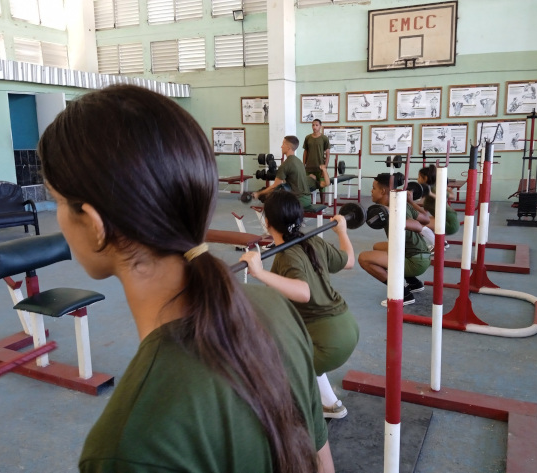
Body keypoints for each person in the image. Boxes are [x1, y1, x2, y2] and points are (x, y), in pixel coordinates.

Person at [38, 85, 334, 473]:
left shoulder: (128, 444)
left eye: (58, 201)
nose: (58, 215)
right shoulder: (274, 309)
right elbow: (321, 462)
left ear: (96, 225)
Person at [240, 191, 359, 420]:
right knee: (297, 345)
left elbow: (303, 293)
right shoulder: (313, 241)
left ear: (267, 222)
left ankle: (291, 423)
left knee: (268, 370)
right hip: (347, 327)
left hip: (329, 341)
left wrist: (259, 273)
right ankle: (330, 404)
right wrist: (342, 233)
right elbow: (349, 261)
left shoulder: (286, 255)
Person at [358, 173, 431, 306]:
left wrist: (392, 215)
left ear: (383, 191)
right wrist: (410, 201)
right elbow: (426, 218)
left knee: (364, 258)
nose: (371, 191)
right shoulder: (402, 202)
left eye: (374, 188)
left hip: (416, 261)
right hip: (422, 254)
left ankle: (403, 294)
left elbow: (420, 225)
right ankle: (414, 283)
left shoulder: (392, 209)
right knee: (377, 247)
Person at [254, 135, 313, 209]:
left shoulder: (286, 164)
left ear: (288, 147)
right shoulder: (299, 161)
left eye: (283, 144)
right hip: (307, 199)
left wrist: (258, 194)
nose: (281, 146)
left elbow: (274, 187)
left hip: (298, 200)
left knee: (271, 200)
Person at [417, 164, 460, 248]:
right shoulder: (430, 189)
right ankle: (443, 242)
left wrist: (432, 193)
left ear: (425, 178)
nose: (417, 179)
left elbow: (450, 197)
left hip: (450, 224)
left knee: (418, 224)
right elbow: (424, 212)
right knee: (422, 220)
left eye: (419, 177)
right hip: (447, 220)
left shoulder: (433, 190)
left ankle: (437, 246)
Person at [303, 119, 330, 186]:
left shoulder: (324, 138)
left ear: (320, 126)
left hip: (320, 168)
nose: (314, 127)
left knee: (322, 187)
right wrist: (303, 164)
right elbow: (305, 151)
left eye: (316, 125)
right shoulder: (308, 138)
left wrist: (325, 167)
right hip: (309, 167)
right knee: (309, 187)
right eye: (313, 125)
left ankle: (321, 197)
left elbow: (327, 153)